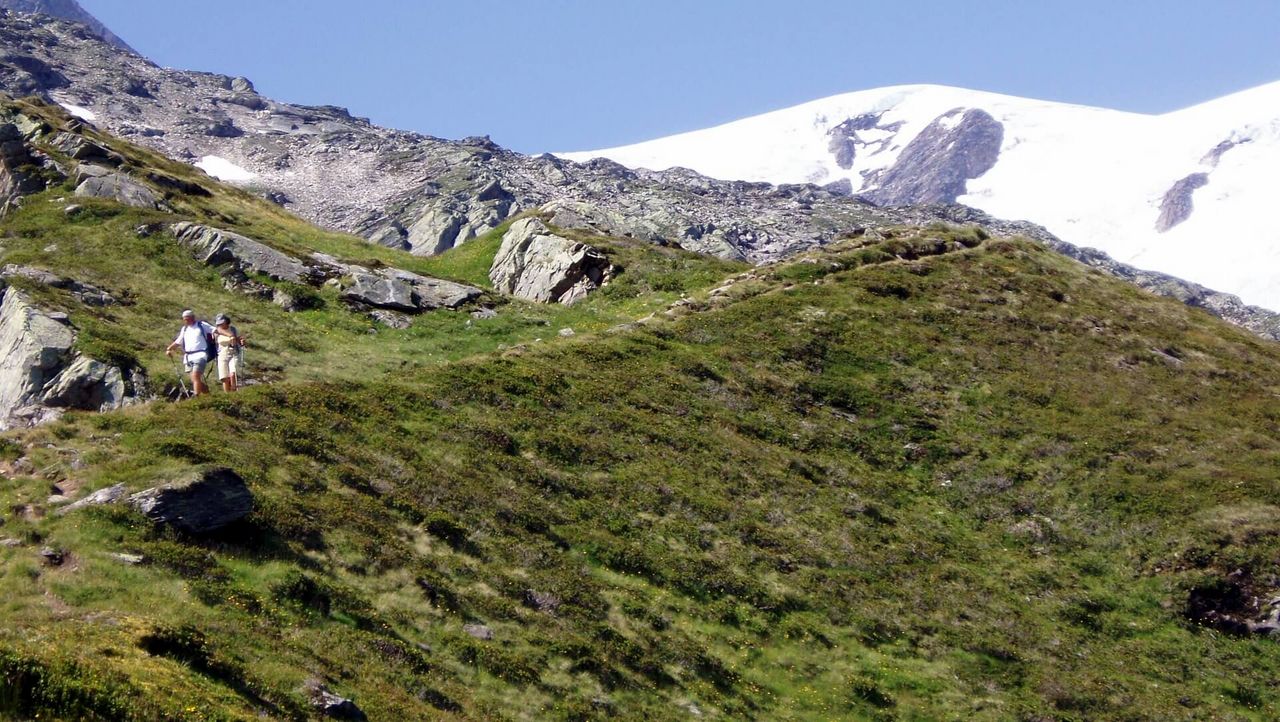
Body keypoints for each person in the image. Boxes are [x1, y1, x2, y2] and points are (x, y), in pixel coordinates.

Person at [165, 309, 215, 396]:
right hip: (188, 357)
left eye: (188, 318)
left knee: (196, 376)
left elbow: (214, 330)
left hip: (200, 355)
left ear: (193, 317)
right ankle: (208, 395)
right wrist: (169, 348)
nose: (186, 321)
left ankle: (197, 397)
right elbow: (178, 342)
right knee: (194, 379)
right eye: (185, 319)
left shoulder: (201, 325)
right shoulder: (184, 329)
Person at [212, 313, 246, 392]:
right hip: (221, 355)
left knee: (232, 374)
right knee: (224, 377)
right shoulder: (216, 331)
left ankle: (234, 392)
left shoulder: (233, 329)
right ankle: (227, 396)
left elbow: (239, 340)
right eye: (219, 323)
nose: (220, 324)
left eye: (222, 323)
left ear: (226, 321)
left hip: (233, 353)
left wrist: (242, 341)